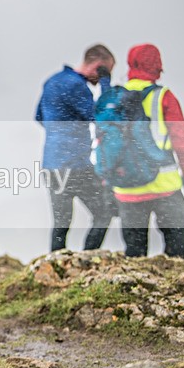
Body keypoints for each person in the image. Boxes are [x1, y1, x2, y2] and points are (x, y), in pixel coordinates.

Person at [113, 43, 184, 258]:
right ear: (157, 65)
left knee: (135, 256)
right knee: (177, 252)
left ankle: (133, 290)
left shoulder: (114, 99)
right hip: (164, 187)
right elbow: (182, 141)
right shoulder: (163, 97)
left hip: (126, 188)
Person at [35, 44, 119, 252]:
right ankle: (88, 259)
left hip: (51, 165)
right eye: (105, 71)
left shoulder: (52, 81)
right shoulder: (77, 86)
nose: (101, 78)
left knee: (61, 223)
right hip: (75, 166)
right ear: (98, 66)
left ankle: (56, 268)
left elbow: (38, 117)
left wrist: (60, 134)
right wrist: (106, 84)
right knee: (104, 211)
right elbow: (101, 117)